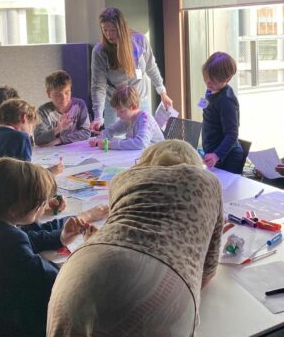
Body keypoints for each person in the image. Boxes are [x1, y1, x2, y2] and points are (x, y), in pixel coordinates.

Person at [47, 139, 224, 337]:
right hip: (161, 283)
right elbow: (207, 271)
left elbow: (125, 235)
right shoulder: (208, 181)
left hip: (80, 270)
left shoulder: (123, 178)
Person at [0, 158, 97, 337]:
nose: (45, 206)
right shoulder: (8, 241)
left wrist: (61, 237)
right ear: (14, 209)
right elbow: (58, 283)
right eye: (41, 202)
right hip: (16, 326)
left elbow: (27, 239)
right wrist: (89, 249)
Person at [89, 7, 173, 130]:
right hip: (116, 104)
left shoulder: (140, 40)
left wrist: (162, 93)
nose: (109, 35)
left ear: (121, 28)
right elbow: (98, 86)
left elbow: (151, 67)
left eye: (113, 30)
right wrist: (98, 116)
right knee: (113, 137)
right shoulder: (100, 51)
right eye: (104, 30)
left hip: (139, 101)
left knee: (144, 135)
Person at [201, 52, 245, 174]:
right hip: (212, 151)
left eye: (213, 80)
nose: (208, 82)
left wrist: (216, 155)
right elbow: (206, 109)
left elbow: (232, 134)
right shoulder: (210, 90)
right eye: (206, 77)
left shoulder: (227, 101)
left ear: (228, 79)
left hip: (228, 158)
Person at [89, 85, 163, 150]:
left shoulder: (145, 119)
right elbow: (111, 130)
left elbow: (141, 143)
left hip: (157, 157)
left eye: (121, 111)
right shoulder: (128, 118)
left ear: (134, 107)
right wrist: (99, 138)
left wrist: (109, 144)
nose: (118, 115)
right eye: (117, 111)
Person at [33, 70, 91, 146]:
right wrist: (58, 129)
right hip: (53, 150)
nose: (64, 98)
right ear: (49, 94)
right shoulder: (43, 111)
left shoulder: (79, 105)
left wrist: (61, 140)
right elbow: (38, 139)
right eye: (57, 95)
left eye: (67, 92)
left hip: (75, 148)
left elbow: (86, 132)